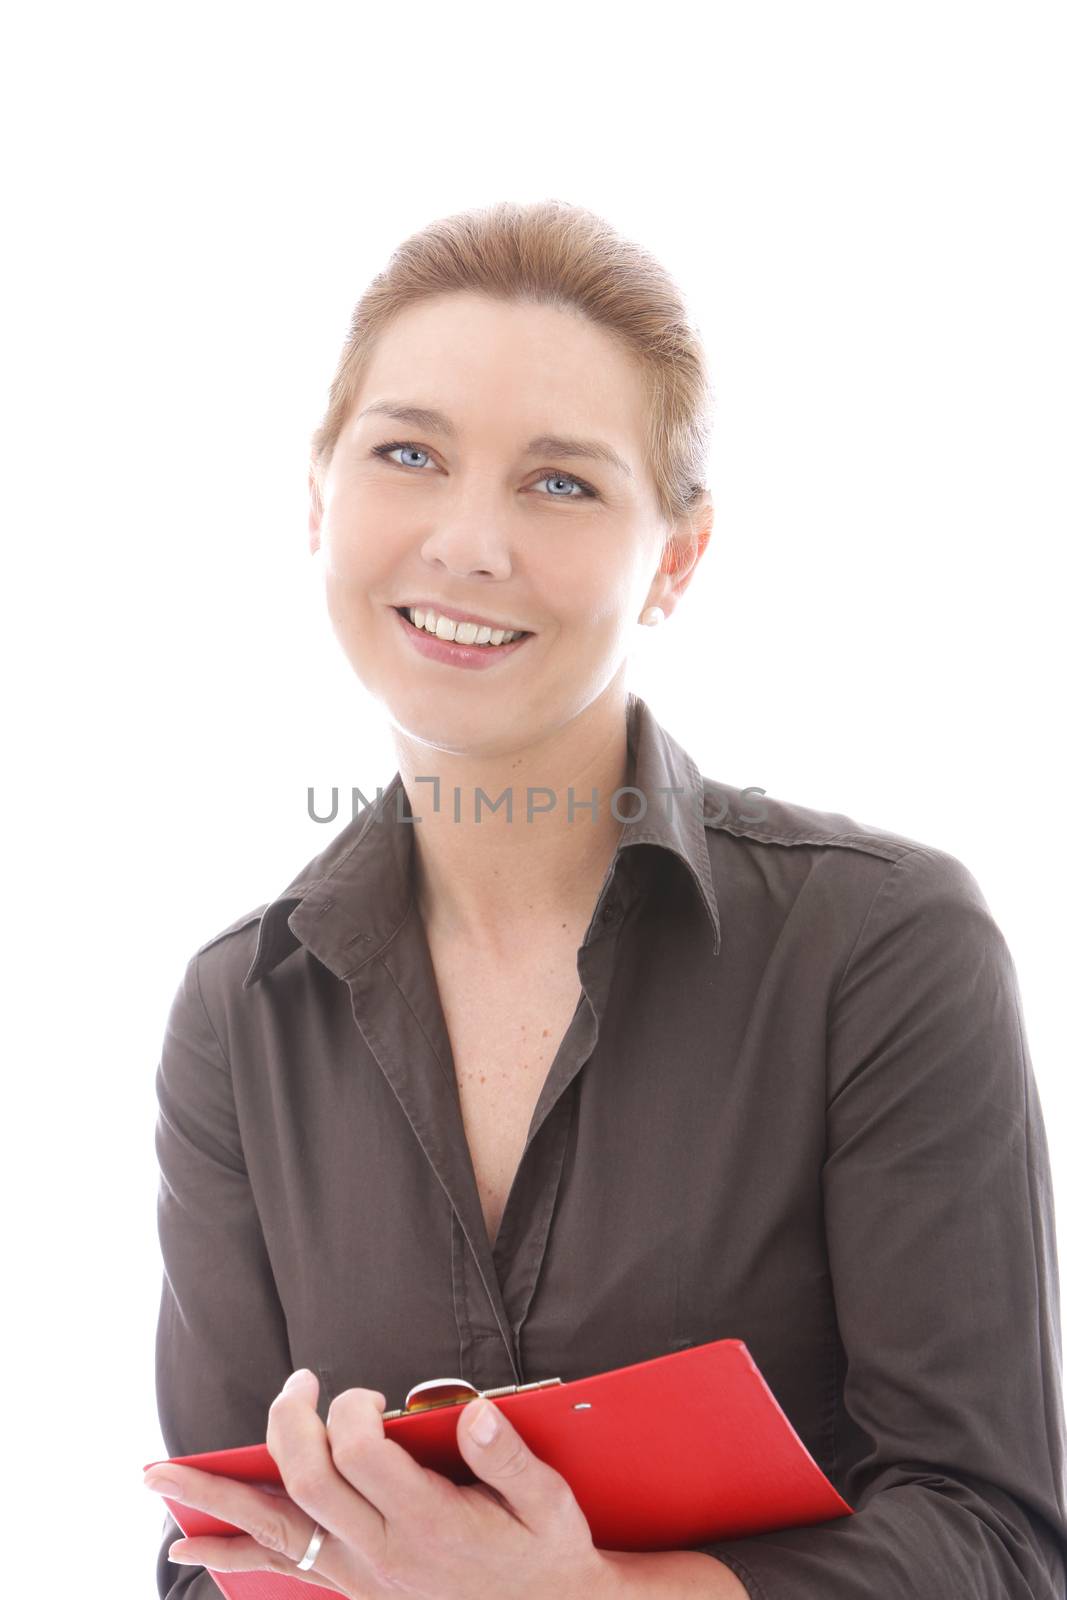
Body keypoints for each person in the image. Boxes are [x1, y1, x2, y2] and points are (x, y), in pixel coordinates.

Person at [147, 199, 1067, 1599]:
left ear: (678, 560)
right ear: (319, 498)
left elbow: (996, 1542)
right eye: (410, 454)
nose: (469, 543)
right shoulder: (239, 1013)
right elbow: (208, 1549)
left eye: (561, 483)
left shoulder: (882, 951)